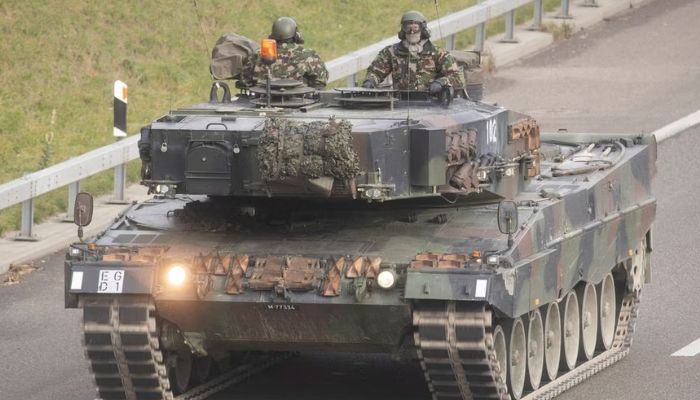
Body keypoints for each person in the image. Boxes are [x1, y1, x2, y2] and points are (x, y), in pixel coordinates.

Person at [362, 11, 464, 94]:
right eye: (408, 27)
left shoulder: (438, 53)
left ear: (423, 29)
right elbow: (375, 72)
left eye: (415, 27)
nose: (411, 32)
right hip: (400, 102)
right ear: (403, 30)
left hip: (432, 103)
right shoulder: (392, 52)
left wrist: (441, 82)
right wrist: (370, 81)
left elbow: (456, 77)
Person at [242, 17, 328, 89]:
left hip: (263, 100)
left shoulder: (259, 54)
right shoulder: (308, 55)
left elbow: (246, 80)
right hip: (299, 101)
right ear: (296, 34)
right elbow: (321, 81)